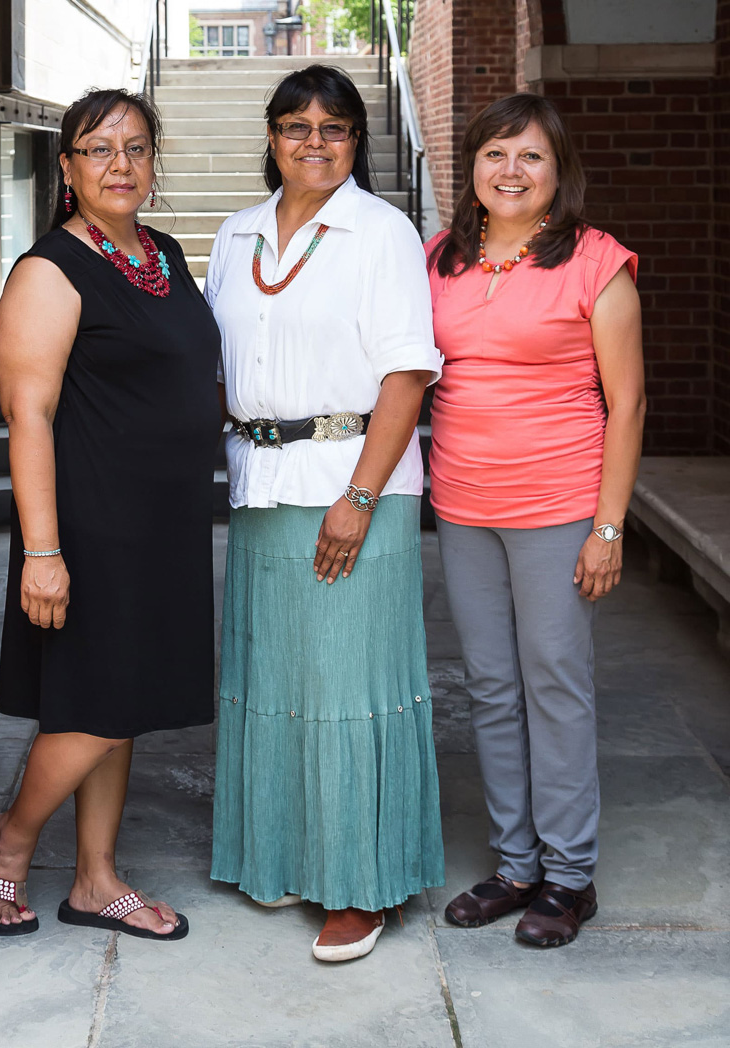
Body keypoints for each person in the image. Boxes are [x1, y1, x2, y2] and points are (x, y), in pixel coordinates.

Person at [206, 64, 444, 964]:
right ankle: (280, 853)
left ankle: (360, 883)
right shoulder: (234, 234)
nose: (314, 142)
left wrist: (358, 496)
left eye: (334, 128)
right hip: (260, 485)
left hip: (354, 482)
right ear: (270, 138)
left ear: (357, 142)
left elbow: (406, 375)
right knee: (274, 684)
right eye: (296, 126)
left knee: (351, 687)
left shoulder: (381, 233)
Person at [0, 87, 220, 941]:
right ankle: (8, 841)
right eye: (99, 148)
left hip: (168, 522)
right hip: (93, 525)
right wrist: (42, 549)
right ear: (67, 167)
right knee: (93, 707)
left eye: (137, 147)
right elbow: (28, 414)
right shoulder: (50, 269)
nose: (121, 164)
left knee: (128, 701)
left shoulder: (164, 253)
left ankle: (95, 879)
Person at [428, 93, 645, 949]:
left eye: (530, 157)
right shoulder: (440, 257)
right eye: (495, 154)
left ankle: (569, 875)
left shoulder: (596, 262)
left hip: (560, 505)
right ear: (472, 168)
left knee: (554, 682)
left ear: (559, 174)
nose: (510, 171)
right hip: (463, 503)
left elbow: (625, 405)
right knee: (489, 684)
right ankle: (515, 863)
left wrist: (609, 527)